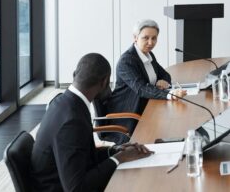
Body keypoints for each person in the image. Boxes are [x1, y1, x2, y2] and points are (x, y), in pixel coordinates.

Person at [31, 53, 152, 191]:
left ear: (74, 74)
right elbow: (76, 189)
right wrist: (119, 158)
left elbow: (80, 154)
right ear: (104, 82)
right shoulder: (72, 121)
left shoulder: (64, 102)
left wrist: (115, 150)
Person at [105, 19, 186, 142]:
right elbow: (141, 88)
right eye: (146, 38)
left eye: (154, 38)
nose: (150, 42)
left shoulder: (149, 55)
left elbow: (165, 74)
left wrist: (162, 80)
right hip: (128, 113)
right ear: (135, 37)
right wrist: (170, 94)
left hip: (146, 106)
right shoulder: (127, 61)